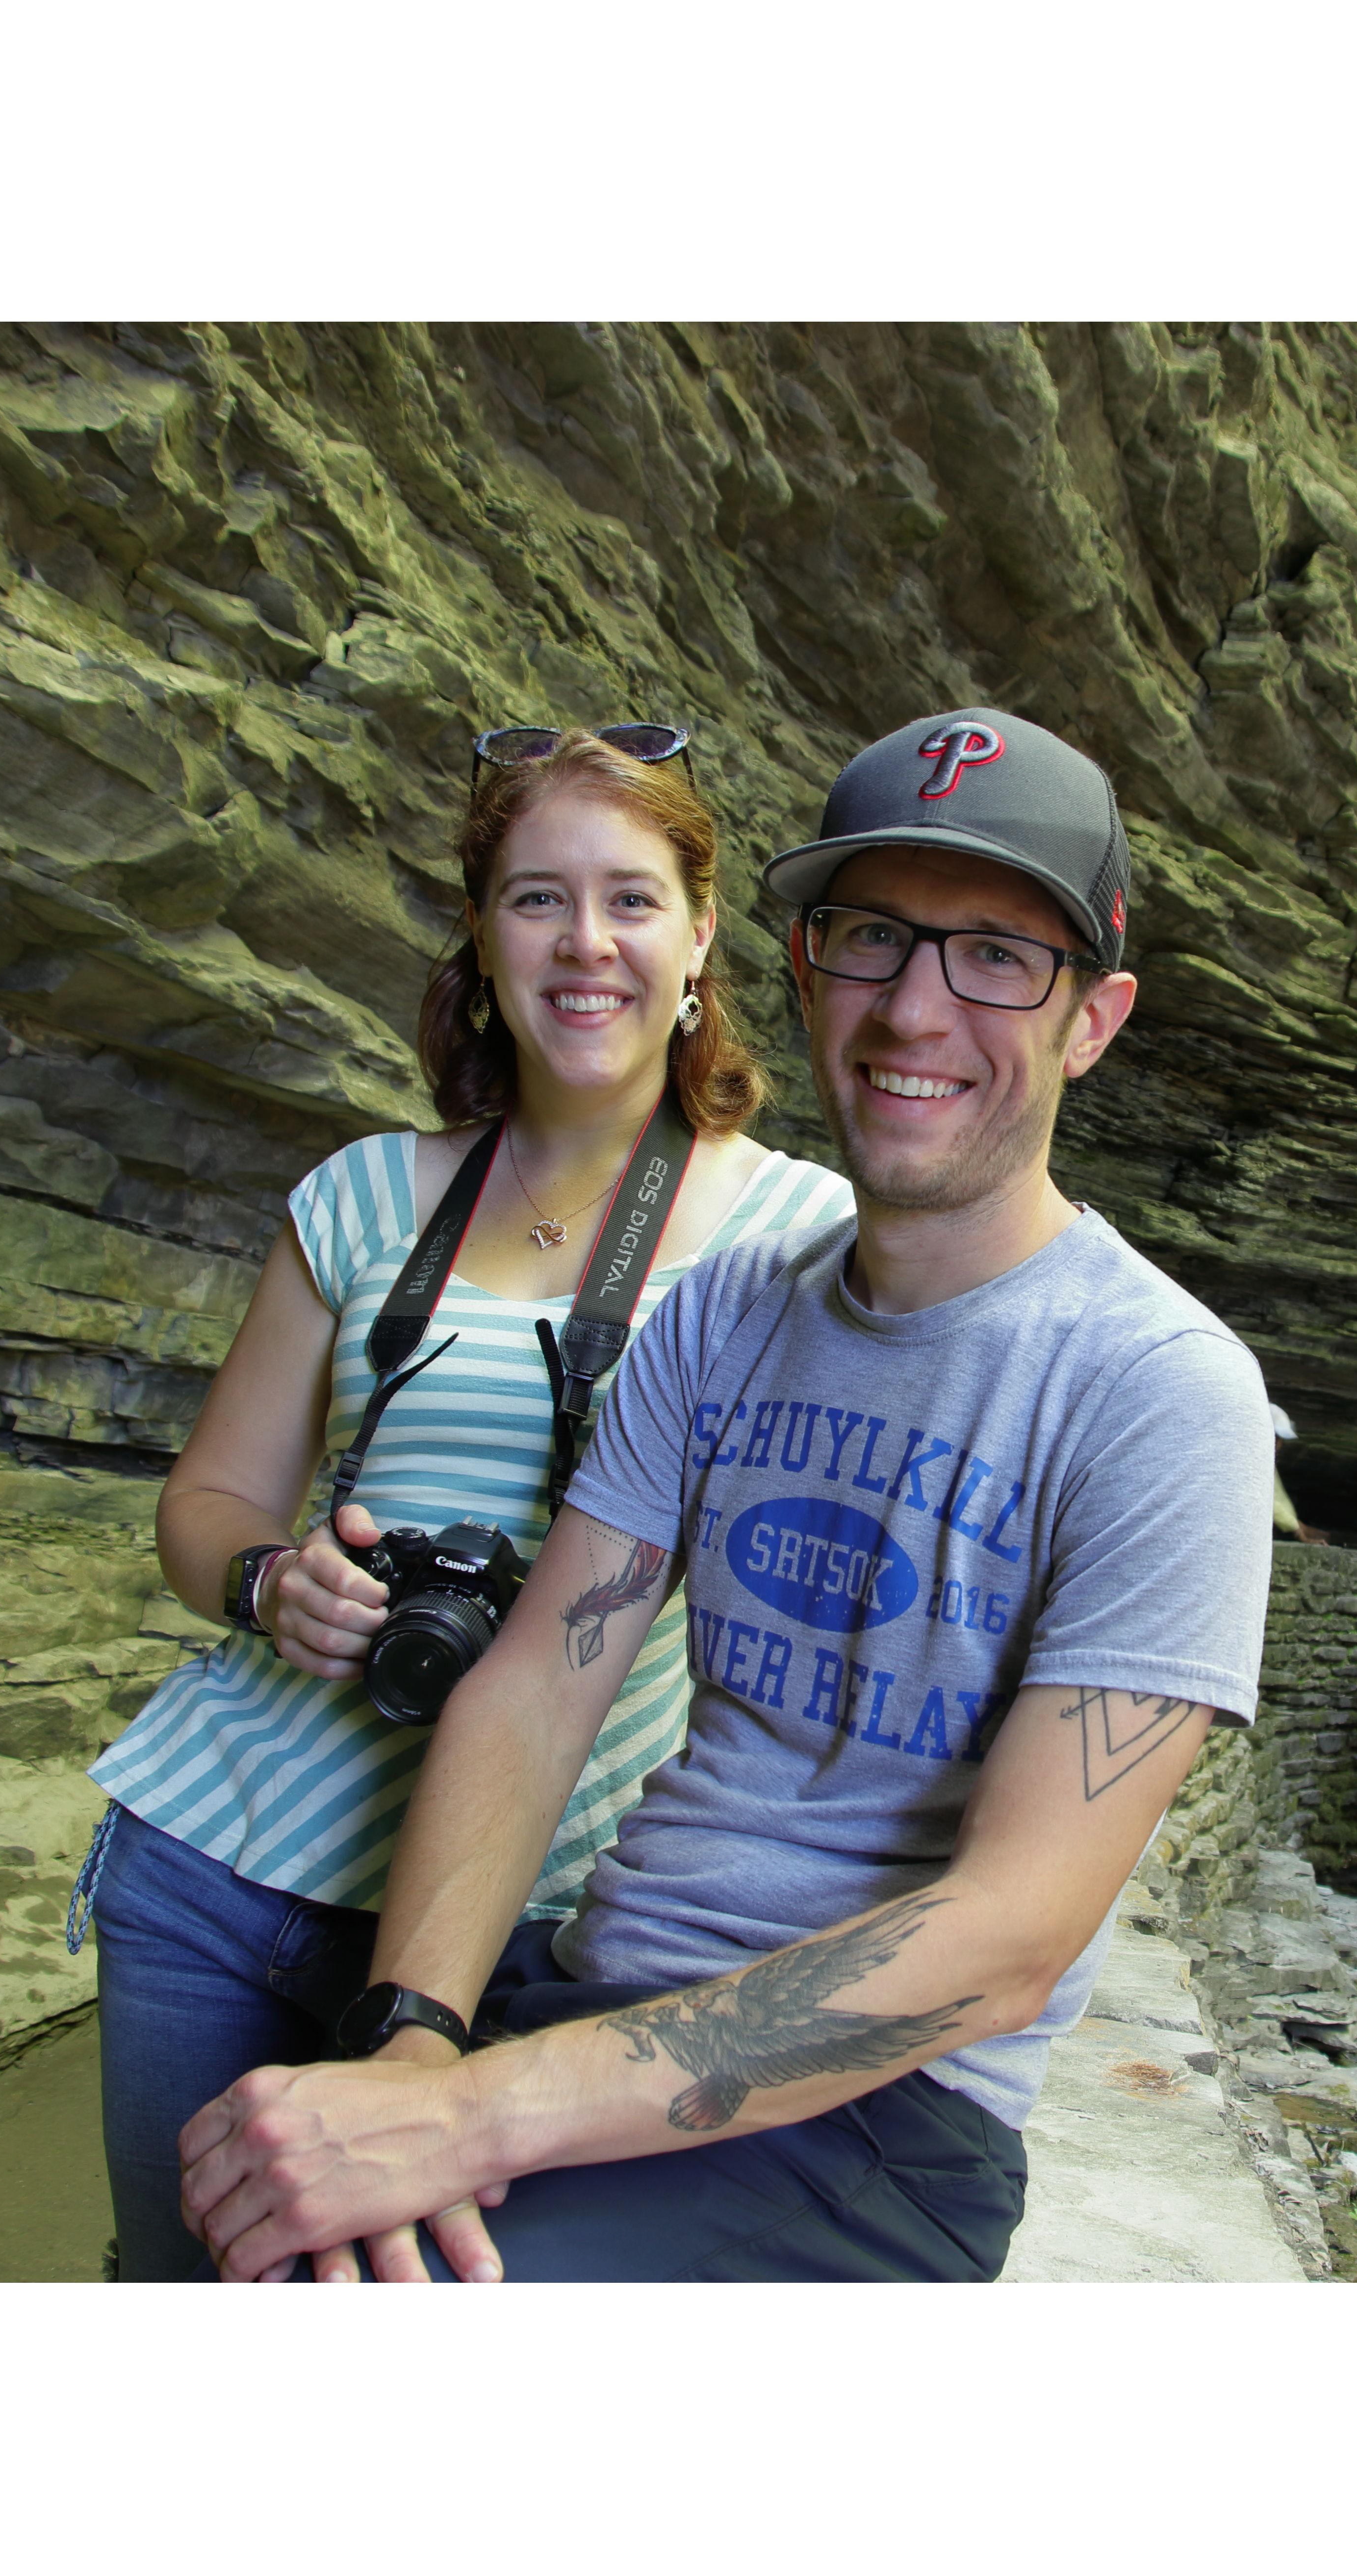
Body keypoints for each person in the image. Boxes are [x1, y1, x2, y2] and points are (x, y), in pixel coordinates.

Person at [175, 706, 1276, 2282]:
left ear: (1095, 1019)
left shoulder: (1163, 1391)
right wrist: (414, 2038)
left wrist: (476, 2121)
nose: (913, 1011)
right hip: (587, 1999)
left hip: (880, 2123)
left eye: (996, 960)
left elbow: (1008, 1939)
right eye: (872, 941)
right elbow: (539, 1694)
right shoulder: (726, 1312)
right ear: (808, 970)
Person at [79, 724, 851, 2282]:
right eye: (535, 900)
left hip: (551, 1913)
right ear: (483, 937)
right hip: (224, 1857)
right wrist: (265, 1583)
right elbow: (212, 1497)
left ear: (703, 936)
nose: (586, 946)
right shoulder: (366, 1193)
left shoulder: (801, 1232)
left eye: (632, 901)